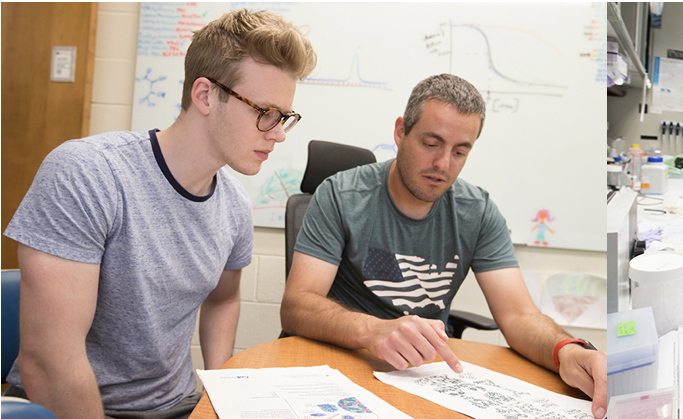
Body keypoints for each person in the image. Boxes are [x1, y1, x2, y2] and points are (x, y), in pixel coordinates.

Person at [2, 9, 317, 419]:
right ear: (205, 95)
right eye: (266, 112)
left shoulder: (235, 205)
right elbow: (48, 361)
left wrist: (220, 395)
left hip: (178, 406)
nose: (276, 132)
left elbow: (223, 299)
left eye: (285, 118)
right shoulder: (88, 174)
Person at [279, 74, 608, 418]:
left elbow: (519, 315)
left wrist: (568, 351)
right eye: (431, 143)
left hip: (419, 377)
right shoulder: (341, 196)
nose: (443, 164)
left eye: (460, 151)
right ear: (400, 132)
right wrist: (372, 330)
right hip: (340, 365)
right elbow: (297, 306)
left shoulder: (476, 212)